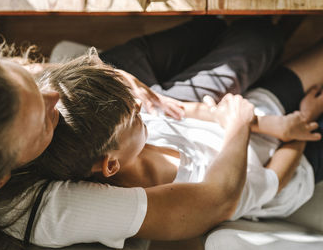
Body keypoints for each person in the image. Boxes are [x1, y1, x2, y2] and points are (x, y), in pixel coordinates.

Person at [0, 16, 307, 250]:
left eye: (28, 82)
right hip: (120, 129)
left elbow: (37, 70)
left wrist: (106, 76)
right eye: (40, 119)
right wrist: (239, 123)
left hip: (112, 107)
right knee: (256, 43)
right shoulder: (46, 210)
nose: (51, 94)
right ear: (0, 178)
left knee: (205, 29)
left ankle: (226, 27)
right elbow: (215, 202)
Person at [35, 50, 323, 222]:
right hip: (295, 161)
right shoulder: (189, 190)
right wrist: (303, 122)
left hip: (261, 116)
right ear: (111, 164)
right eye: (131, 116)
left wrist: (272, 124)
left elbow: (192, 111)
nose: (138, 105)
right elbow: (274, 180)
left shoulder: (135, 131)